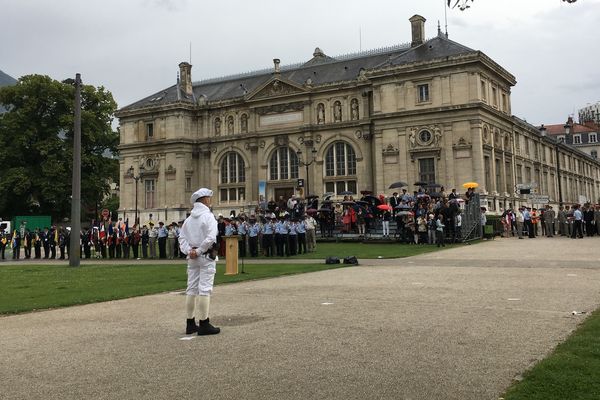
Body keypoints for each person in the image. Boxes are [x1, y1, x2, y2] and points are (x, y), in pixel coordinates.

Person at [179, 188, 220, 336]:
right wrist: (199, 251)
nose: (210, 201)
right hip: (205, 256)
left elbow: (181, 238)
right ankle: (204, 323)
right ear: (204, 200)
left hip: (192, 258)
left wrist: (189, 251)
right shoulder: (208, 217)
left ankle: (190, 323)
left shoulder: (188, 220)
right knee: (204, 289)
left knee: (191, 288)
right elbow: (211, 238)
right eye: (209, 198)